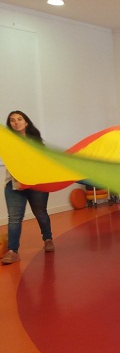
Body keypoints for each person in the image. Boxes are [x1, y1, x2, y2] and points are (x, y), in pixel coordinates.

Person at [1, 111, 54, 265]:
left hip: (36, 184)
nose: (16, 122)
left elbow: (44, 162)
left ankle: (48, 239)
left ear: (26, 123)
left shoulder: (36, 142)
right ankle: (12, 251)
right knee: (14, 218)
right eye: (12, 120)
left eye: (19, 119)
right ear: (10, 125)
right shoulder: (7, 143)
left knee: (41, 213)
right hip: (14, 185)